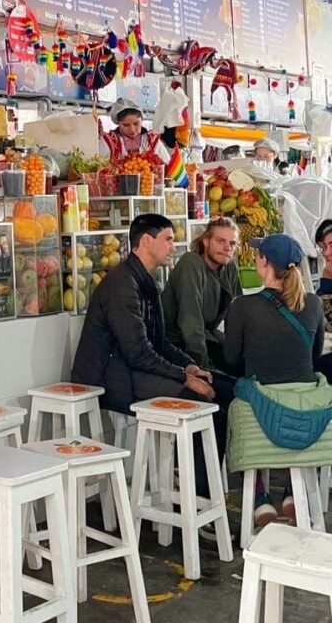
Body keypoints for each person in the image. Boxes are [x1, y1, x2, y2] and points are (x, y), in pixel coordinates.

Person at [71, 213, 234, 500]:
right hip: (111, 377)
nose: (174, 246)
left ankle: (205, 489)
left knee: (225, 390)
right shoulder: (122, 284)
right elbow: (137, 353)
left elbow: (158, 342)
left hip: (134, 368)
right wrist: (184, 378)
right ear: (147, 241)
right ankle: (197, 497)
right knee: (202, 399)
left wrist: (190, 365)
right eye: (168, 240)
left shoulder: (148, 282)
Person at [224, 233, 329, 525]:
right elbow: (314, 356)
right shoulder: (313, 304)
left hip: (264, 407)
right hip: (308, 408)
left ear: (264, 262)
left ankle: (259, 495)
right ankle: (292, 493)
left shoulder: (242, 306)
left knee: (246, 393)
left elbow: (232, 358)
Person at [162, 217, 242, 372]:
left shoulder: (229, 267)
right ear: (206, 241)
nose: (227, 248)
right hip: (177, 344)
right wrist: (202, 369)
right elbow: (190, 321)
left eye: (232, 243)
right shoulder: (191, 263)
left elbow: (238, 314)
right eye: (220, 241)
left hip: (207, 336)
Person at [97, 98, 171, 165]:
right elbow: (99, 167)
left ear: (142, 120)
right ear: (118, 123)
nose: (132, 129)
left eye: (136, 124)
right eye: (126, 125)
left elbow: (167, 165)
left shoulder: (152, 141)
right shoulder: (108, 141)